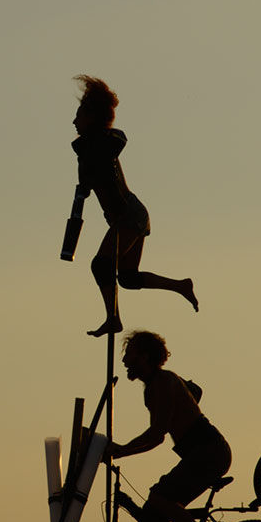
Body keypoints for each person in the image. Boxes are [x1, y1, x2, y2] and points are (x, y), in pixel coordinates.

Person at [71, 75, 198, 337]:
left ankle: (113, 318)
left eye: (79, 116)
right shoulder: (86, 150)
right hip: (132, 215)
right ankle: (180, 286)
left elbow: (118, 140)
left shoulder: (104, 144)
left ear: (93, 117)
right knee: (127, 278)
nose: (74, 121)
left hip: (129, 216)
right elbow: (86, 186)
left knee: (100, 264)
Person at [107, 329, 232, 522]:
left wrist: (121, 450)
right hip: (199, 453)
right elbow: (194, 393)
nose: (125, 360)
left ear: (145, 356)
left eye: (130, 354)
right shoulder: (154, 387)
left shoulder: (163, 382)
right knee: (153, 515)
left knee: (159, 499)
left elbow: (157, 435)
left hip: (209, 452)